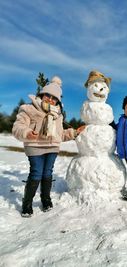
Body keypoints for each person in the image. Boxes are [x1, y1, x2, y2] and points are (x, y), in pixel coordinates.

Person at [12, 76, 83, 217]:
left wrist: (74, 132)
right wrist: (27, 132)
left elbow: (59, 134)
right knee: (36, 173)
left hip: (52, 147)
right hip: (35, 145)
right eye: (48, 96)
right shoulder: (28, 109)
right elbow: (17, 127)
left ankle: (46, 199)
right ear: (42, 95)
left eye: (54, 98)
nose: (50, 99)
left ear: (57, 101)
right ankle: (27, 203)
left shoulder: (57, 114)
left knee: (47, 173)